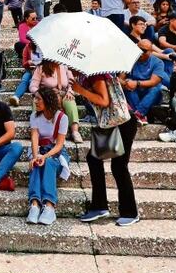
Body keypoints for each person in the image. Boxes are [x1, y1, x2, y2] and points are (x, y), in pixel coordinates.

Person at [74, 71, 140, 227]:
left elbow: (104, 101)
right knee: (93, 158)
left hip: (122, 123)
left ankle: (130, 212)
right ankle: (99, 206)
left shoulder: (95, 75)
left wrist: (81, 90)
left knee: (119, 166)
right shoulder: (88, 76)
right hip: (110, 123)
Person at [25, 87, 68, 225]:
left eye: (38, 99)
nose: (35, 101)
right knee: (36, 163)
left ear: (47, 101)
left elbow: (59, 145)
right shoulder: (34, 116)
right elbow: (35, 137)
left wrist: (45, 156)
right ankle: (35, 204)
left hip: (56, 152)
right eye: (34, 98)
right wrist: (36, 155)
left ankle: (49, 206)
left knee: (48, 162)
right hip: (40, 149)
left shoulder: (62, 117)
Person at [29, 58, 83, 142]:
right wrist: (41, 94)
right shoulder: (41, 68)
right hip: (46, 94)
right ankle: (36, 130)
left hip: (63, 94)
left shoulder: (65, 67)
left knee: (70, 101)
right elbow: (33, 86)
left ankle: (75, 131)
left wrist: (69, 91)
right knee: (37, 101)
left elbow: (72, 84)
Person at [120, 40, 163, 124]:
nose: (140, 52)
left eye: (144, 50)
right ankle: (139, 115)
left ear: (151, 52)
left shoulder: (158, 62)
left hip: (150, 94)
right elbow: (120, 79)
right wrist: (126, 83)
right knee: (129, 88)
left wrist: (136, 83)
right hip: (134, 92)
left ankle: (138, 113)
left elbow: (154, 82)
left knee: (155, 89)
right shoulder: (130, 59)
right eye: (138, 49)